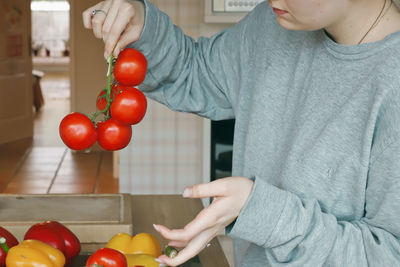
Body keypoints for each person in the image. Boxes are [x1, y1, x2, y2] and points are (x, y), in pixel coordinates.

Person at [83, 0, 400, 266]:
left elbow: (390, 255)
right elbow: (197, 72)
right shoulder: (274, 24)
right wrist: (143, 27)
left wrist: (262, 211)